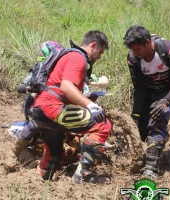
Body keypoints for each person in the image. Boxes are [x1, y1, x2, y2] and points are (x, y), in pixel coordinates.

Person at [31, 30, 111, 183]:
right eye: (100, 52)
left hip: (40, 110)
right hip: (52, 107)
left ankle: (42, 174)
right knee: (103, 125)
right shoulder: (77, 58)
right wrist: (90, 105)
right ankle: (84, 175)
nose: (99, 57)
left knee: (54, 154)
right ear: (93, 45)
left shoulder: (67, 55)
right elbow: (66, 87)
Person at [123, 25, 170, 179]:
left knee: (157, 121)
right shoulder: (133, 59)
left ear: (147, 42)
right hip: (148, 93)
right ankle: (160, 137)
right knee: (141, 129)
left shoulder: (168, 49)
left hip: (167, 93)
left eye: (137, 49)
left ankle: (151, 170)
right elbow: (138, 87)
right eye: (132, 50)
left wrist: (166, 101)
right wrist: (136, 115)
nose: (135, 53)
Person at [11, 41, 64, 159]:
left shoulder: (60, 71)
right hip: (37, 107)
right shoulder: (38, 70)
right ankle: (14, 153)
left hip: (56, 106)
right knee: (35, 125)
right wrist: (30, 89)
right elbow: (22, 85)